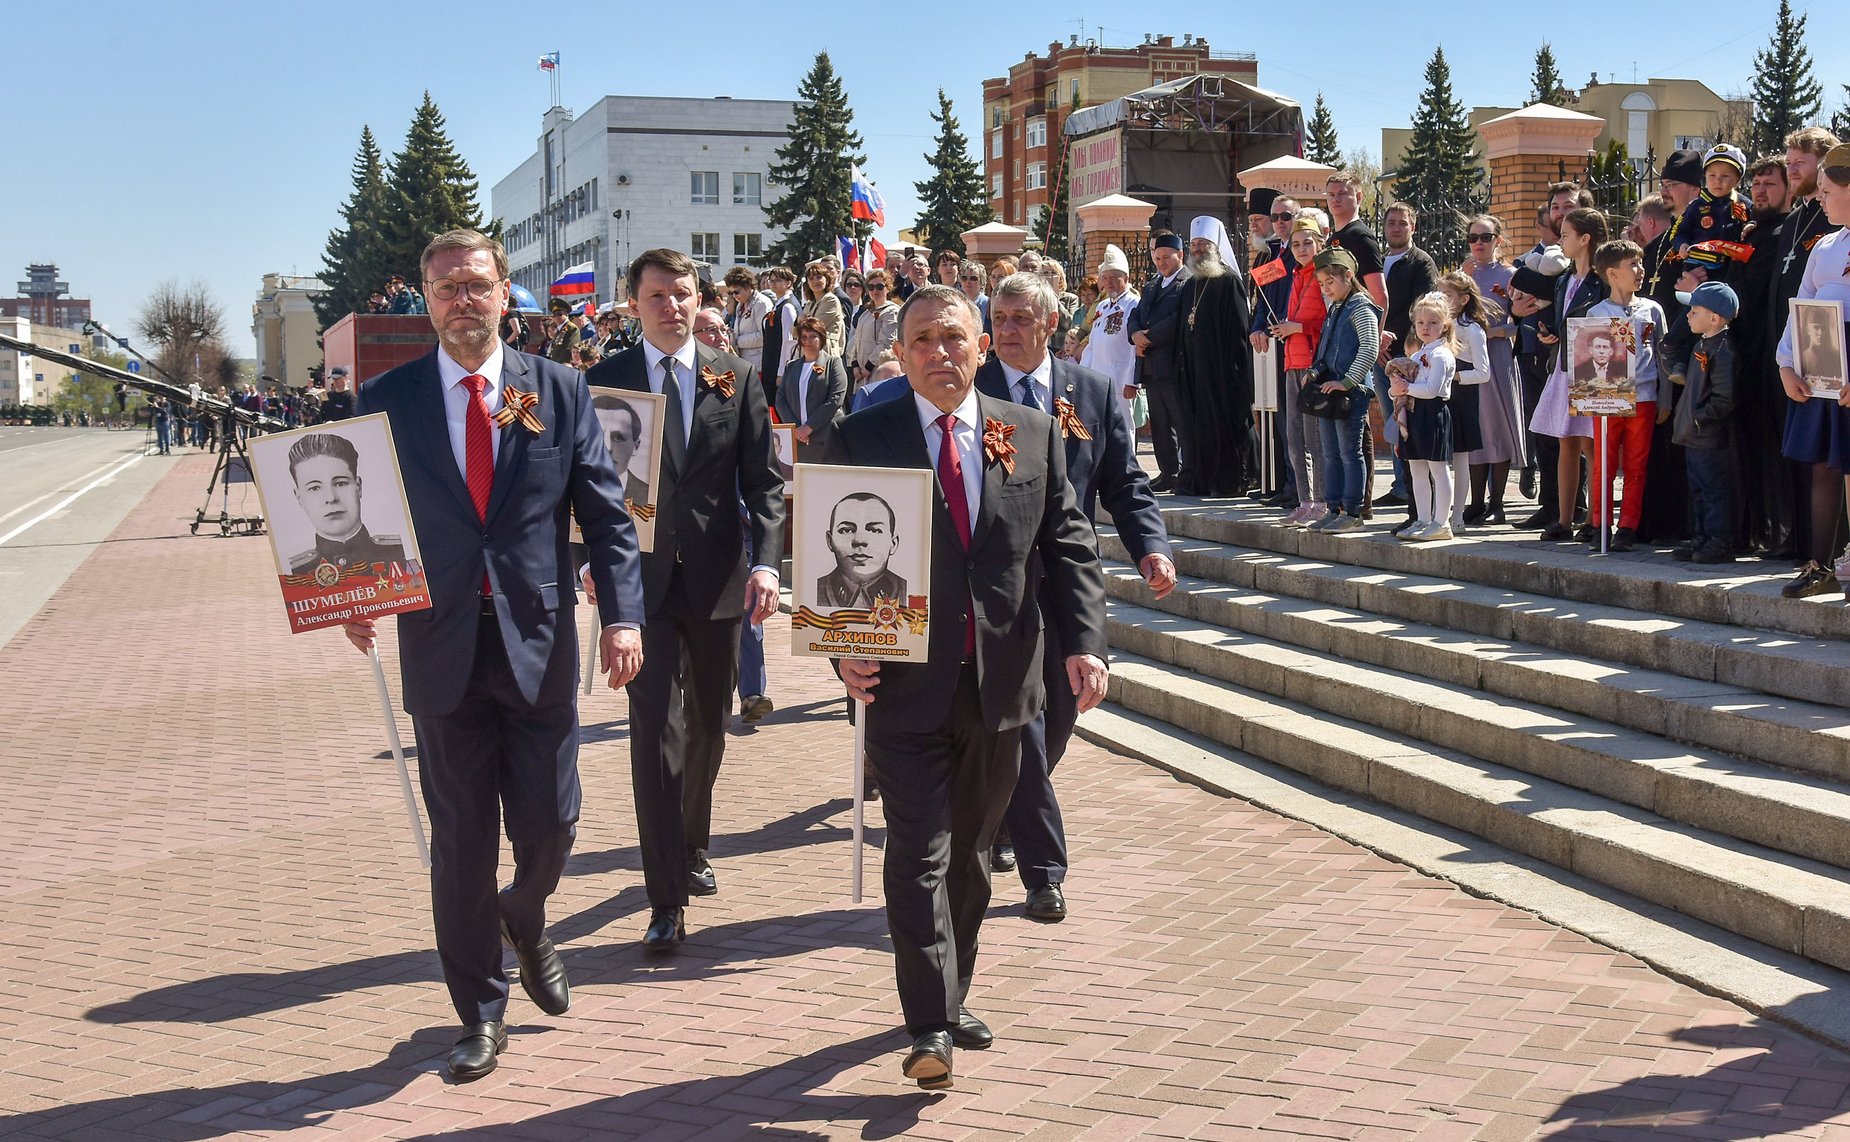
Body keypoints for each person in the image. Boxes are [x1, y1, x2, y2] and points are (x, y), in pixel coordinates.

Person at [342, 229, 645, 1081]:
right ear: (427, 304)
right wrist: (351, 596)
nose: (461, 302)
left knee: (550, 825)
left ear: (506, 291)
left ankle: (528, 915)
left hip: (538, 640)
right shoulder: (388, 398)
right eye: (445, 289)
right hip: (438, 644)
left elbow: (608, 515)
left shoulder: (560, 390)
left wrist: (624, 617)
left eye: (476, 286)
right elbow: (355, 503)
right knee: (462, 841)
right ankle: (478, 1012)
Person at [824, 283, 1108, 1090]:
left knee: (975, 859)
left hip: (1003, 684)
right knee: (918, 853)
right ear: (901, 351)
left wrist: (1085, 644)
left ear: (980, 346)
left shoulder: (1032, 432)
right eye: (920, 340)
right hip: (900, 685)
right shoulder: (860, 436)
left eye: (953, 338)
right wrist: (841, 653)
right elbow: (829, 549)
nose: (937, 353)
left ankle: (952, 995)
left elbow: (1070, 547)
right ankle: (927, 1025)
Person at [584, 248, 783, 946]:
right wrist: (589, 559)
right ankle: (664, 894)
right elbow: (583, 485)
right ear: (634, 302)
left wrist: (768, 565)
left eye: (683, 293)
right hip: (638, 584)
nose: (672, 306)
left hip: (718, 580)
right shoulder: (602, 382)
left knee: (705, 724)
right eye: (658, 295)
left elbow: (765, 484)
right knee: (654, 730)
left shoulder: (735, 378)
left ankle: (692, 842)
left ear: (702, 300)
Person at [976, 271, 1174, 923]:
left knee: (1060, 713)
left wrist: (1151, 544)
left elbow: (1124, 482)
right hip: (997, 584)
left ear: (1051, 325)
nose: (1006, 331)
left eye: (1019, 319)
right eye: (998, 319)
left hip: (1070, 576)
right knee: (1024, 721)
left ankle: (1005, 814)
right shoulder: (970, 395)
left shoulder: (1088, 392)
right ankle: (1046, 871)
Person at [1775, 141, 1850, 599]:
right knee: (1824, 466)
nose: (1819, 198)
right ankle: (1820, 566)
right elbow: (1799, 310)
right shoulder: (1824, 246)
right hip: (1823, 362)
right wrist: (1786, 362)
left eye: (1826, 189)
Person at [1531, 207, 1611, 540]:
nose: (1560, 240)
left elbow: (1607, 322)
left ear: (1585, 239)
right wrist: (1553, 334)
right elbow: (1565, 321)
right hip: (1564, 363)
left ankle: (1597, 519)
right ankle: (1564, 520)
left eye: (1566, 235)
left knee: (1592, 445)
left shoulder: (1603, 279)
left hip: (1593, 367)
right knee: (1566, 441)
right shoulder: (1564, 278)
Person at [1585, 238, 1668, 551]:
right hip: (1607, 398)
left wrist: (1666, 398)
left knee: (1636, 465)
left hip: (1645, 397)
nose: (1640, 270)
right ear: (1612, 273)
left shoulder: (1652, 310)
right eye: (1632, 264)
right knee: (1603, 464)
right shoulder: (1596, 312)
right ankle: (1599, 524)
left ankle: (1628, 527)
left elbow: (1663, 355)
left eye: (1640, 263)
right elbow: (1585, 358)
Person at [1172, 216, 1255, 496]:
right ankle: (1199, 479)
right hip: (1194, 370)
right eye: (1194, 244)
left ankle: (1226, 481)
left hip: (1221, 370)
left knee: (1220, 425)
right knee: (1196, 426)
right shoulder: (1191, 283)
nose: (1197, 250)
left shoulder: (1229, 281)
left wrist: (1235, 372)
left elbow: (1239, 331)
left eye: (1203, 244)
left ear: (1216, 246)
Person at [1306, 247, 1382, 531]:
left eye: (1331, 282)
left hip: (1351, 392)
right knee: (1330, 453)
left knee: (1351, 453)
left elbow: (1370, 347)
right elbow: (1328, 348)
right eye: (1322, 284)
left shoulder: (1361, 307)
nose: (1326, 289)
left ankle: (1352, 511)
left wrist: (1348, 381)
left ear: (1348, 276)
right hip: (1330, 390)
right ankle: (1333, 507)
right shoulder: (1335, 307)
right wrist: (1315, 371)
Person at [1376, 203, 1441, 516]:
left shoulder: (1420, 262)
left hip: (1405, 355)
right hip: (1379, 353)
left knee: (1409, 421)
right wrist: (1375, 341)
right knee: (1391, 420)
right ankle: (1400, 483)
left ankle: (1413, 489)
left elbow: (1423, 310)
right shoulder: (1378, 260)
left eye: (1402, 223)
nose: (1396, 228)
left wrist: (1404, 348)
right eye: (1391, 223)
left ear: (1412, 227)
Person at [1461, 215, 1525, 525]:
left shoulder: (1511, 275)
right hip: (1468, 359)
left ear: (1498, 240)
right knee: (1475, 428)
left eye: (1485, 237)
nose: (1478, 243)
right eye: (1473, 237)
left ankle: (1497, 502)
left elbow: (1521, 323)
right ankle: (1475, 501)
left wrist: (1496, 333)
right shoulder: (1462, 276)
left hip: (1498, 357)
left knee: (1498, 427)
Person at [1673, 282, 1742, 564]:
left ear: (1714, 318)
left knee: (1714, 491)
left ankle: (1719, 541)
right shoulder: (1702, 344)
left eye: (1694, 311)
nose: (1688, 316)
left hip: (1709, 436)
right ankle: (1701, 537)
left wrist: (1700, 418)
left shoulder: (1723, 350)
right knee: (1698, 490)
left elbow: (1724, 398)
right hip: (1694, 435)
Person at [1387, 292, 1459, 542]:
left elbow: (1431, 390)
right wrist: (1394, 389)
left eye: (1433, 322)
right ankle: (1423, 518)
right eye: (1420, 323)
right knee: (1417, 468)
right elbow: (1397, 386)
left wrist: (1404, 389)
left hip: (1433, 413)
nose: (1426, 328)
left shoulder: (1442, 355)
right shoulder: (1417, 355)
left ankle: (1441, 522)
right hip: (1415, 414)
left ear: (1445, 325)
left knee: (1438, 469)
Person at [1272, 217, 1329, 527]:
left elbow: (1329, 323)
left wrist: (1299, 327)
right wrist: (1286, 329)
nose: (1302, 248)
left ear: (1319, 244)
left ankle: (1320, 501)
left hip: (1312, 365)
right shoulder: (1294, 276)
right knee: (1294, 437)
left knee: (1313, 437)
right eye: (1296, 244)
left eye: (1308, 242)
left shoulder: (1323, 276)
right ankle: (1304, 500)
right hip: (1292, 362)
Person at [285, 432, 407, 574]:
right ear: (299, 498)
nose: (331, 498)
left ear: (358, 487)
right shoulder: (296, 572)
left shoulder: (401, 552)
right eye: (314, 488)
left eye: (340, 483)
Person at [1127, 231, 1190, 491]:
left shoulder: (1187, 283)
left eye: (1166, 257)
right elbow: (1136, 314)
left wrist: (1148, 337)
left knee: (1180, 420)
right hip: (1151, 364)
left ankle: (1187, 472)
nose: (1161, 262)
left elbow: (1178, 319)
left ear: (1180, 255)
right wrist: (1135, 334)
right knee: (1160, 423)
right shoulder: (1152, 285)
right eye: (1157, 258)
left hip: (1174, 364)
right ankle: (1167, 472)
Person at [1434, 272, 1492, 535]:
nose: (1442, 299)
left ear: (1464, 299)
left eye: (1448, 295)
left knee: (1460, 459)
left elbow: (1483, 372)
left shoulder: (1472, 329)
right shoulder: (1438, 326)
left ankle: (1458, 515)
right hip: (1439, 396)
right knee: (1437, 459)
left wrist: (1455, 375)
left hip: (1463, 397)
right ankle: (1436, 514)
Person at [775, 316, 849, 464]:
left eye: (813, 337)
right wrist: (795, 429)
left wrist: (809, 427)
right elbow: (780, 399)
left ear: (821, 339)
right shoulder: (791, 366)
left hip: (827, 437)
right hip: (799, 440)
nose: (808, 341)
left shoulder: (833, 363)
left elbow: (836, 399)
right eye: (804, 337)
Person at [814, 492, 907, 606]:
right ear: (830, 540)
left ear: (893, 543)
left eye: (874, 530)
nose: (859, 540)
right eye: (846, 530)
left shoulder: (910, 591)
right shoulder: (811, 590)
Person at [1079, 245, 1138, 394]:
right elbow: (1092, 344)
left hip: (1121, 380)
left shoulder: (1134, 304)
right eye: (1105, 278)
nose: (1108, 282)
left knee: (1125, 418)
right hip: (1098, 378)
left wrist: (1132, 381)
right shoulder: (1102, 306)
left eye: (1113, 277)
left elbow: (1135, 346)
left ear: (1126, 278)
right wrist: (1083, 373)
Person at [845, 269, 901, 388]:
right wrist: (855, 365)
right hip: (861, 376)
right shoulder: (865, 313)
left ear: (887, 288)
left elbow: (887, 342)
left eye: (880, 286)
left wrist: (868, 367)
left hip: (879, 371)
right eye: (871, 287)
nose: (875, 290)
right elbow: (856, 340)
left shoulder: (892, 311)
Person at [601, 398, 653, 508]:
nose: (607, 447)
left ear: (636, 446)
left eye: (618, 438)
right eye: (596, 435)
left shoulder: (647, 496)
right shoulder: (566, 491)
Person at [724, 267, 771, 374]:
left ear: (748, 287)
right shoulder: (740, 305)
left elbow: (763, 336)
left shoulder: (761, 303)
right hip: (744, 363)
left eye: (737, 292)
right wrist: (731, 333)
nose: (735, 296)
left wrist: (736, 340)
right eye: (731, 293)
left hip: (758, 364)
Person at [801, 261, 846, 356]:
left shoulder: (831, 300)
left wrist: (802, 321)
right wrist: (799, 321)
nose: (815, 281)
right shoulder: (810, 303)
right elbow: (795, 331)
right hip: (809, 352)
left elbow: (813, 327)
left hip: (826, 352)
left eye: (819, 277)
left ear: (827, 279)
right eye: (811, 278)